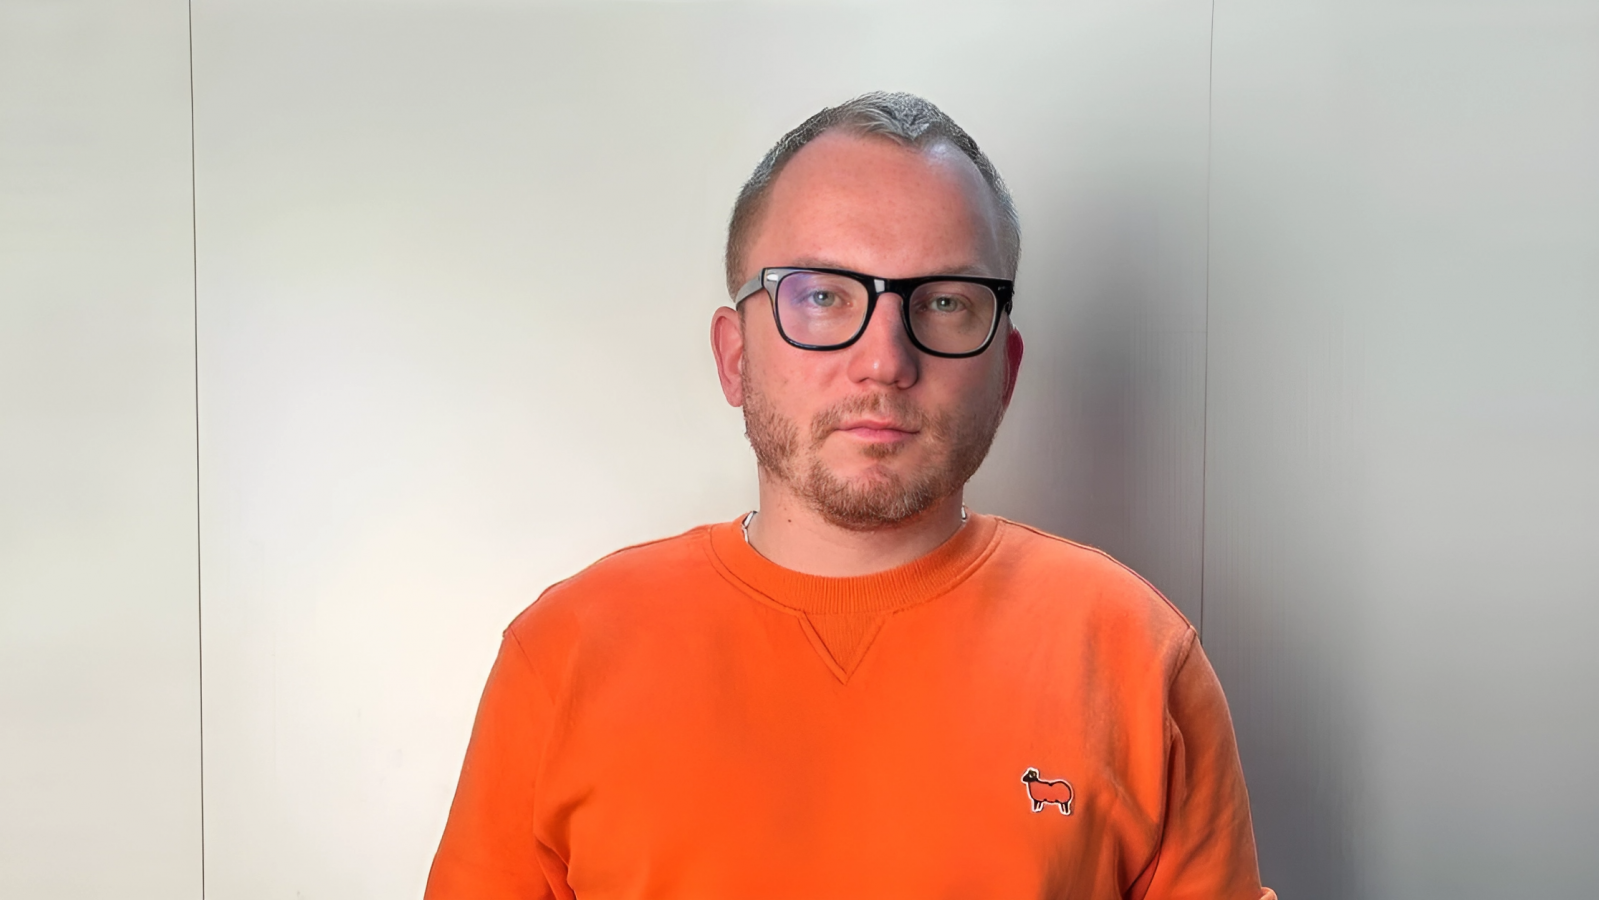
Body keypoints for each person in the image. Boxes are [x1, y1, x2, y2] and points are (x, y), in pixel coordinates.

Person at [425, 92, 1275, 900]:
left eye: (944, 302)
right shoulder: (565, 655)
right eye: (823, 296)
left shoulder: (1132, 657)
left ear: (1004, 369)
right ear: (735, 355)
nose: (884, 361)